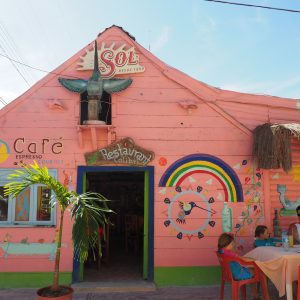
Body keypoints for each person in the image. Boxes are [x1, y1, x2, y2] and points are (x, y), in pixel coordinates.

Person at [218, 233, 260, 299]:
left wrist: (235, 245)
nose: (233, 245)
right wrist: (254, 260)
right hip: (238, 274)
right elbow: (243, 259)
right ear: (226, 243)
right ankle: (255, 295)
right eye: (232, 244)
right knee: (255, 271)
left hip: (229, 274)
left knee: (250, 268)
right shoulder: (229, 253)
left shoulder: (221, 251)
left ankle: (249, 295)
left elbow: (235, 256)